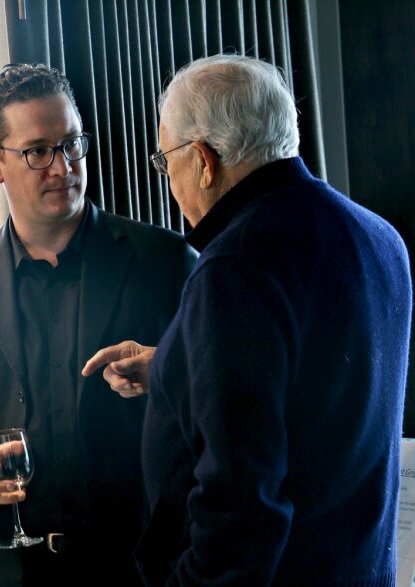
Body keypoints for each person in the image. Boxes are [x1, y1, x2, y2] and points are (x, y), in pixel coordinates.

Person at [83, 54, 412, 585]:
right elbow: (313, 388)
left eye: (166, 162)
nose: (169, 183)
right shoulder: (380, 237)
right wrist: (172, 365)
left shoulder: (236, 265)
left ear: (204, 160)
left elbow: (240, 503)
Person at [0, 63, 198, 586]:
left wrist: (168, 374)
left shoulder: (165, 261)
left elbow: (223, 408)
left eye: (72, 143)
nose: (64, 168)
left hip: (138, 568)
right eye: (38, 151)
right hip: (4, 567)